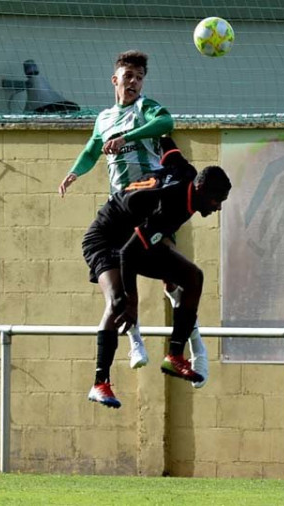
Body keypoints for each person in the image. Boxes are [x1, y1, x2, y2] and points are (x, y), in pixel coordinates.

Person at [57, 50, 208, 388]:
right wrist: (73, 173)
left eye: (139, 77)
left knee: (174, 271)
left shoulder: (146, 109)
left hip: (153, 201)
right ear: (116, 79)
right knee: (127, 281)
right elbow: (91, 150)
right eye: (128, 76)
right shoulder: (104, 118)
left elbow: (166, 123)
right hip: (122, 204)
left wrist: (129, 137)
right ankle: (136, 340)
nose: (134, 82)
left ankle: (192, 340)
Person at [81, 140, 231, 408]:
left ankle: (175, 356)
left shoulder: (187, 172)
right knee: (117, 302)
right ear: (200, 189)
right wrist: (131, 301)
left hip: (134, 238)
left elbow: (169, 151)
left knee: (193, 277)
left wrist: (157, 135)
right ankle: (99, 383)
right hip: (106, 238)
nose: (218, 207)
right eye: (216, 199)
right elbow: (128, 254)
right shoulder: (166, 206)